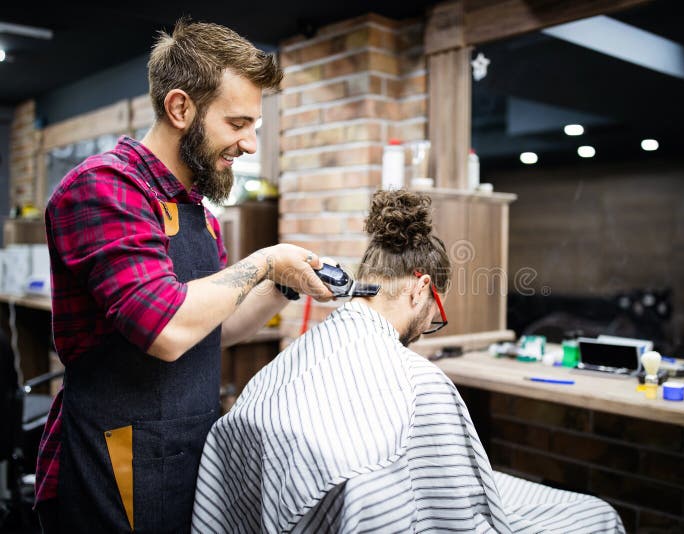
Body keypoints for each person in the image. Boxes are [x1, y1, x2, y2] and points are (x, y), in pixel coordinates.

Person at [34, 19, 332, 533]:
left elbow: (215, 328)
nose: (251, 143)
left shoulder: (197, 210)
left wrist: (285, 284)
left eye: (255, 126)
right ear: (180, 108)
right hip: (118, 452)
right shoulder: (105, 188)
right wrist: (263, 262)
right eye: (238, 123)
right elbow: (167, 330)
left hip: (189, 445)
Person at [192, 190, 623, 533]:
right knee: (597, 515)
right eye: (436, 313)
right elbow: (460, 516)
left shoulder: (293, 361)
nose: (430, 324)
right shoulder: (420, 386)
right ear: (420, 290)